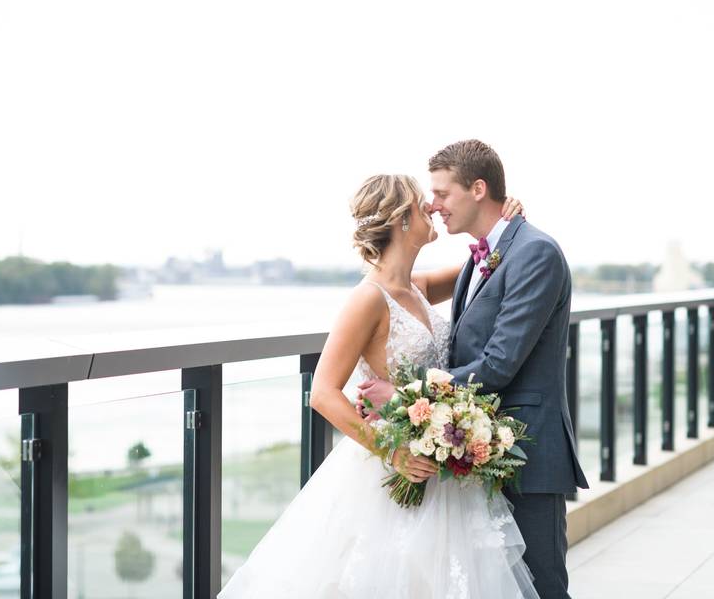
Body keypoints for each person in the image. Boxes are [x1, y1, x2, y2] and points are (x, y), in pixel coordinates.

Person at [217, 173, 538, 598]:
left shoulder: (418, 287)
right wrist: (396, 452)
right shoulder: (368, 298)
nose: (433, 209)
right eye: (423, 204)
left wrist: (505, 223)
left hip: (442, 470)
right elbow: (323, 392)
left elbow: (488, 266)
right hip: (392, 465)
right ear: (402, 221)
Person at [357, 139, 589, 599]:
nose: (432, 204)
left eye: (442, 193)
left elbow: (499, 363)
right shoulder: (481, 257)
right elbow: (395, 291)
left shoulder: (534, 253)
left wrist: (404, 396)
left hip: (527, 456)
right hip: (472, 455)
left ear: (478, 188)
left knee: (541, 589)